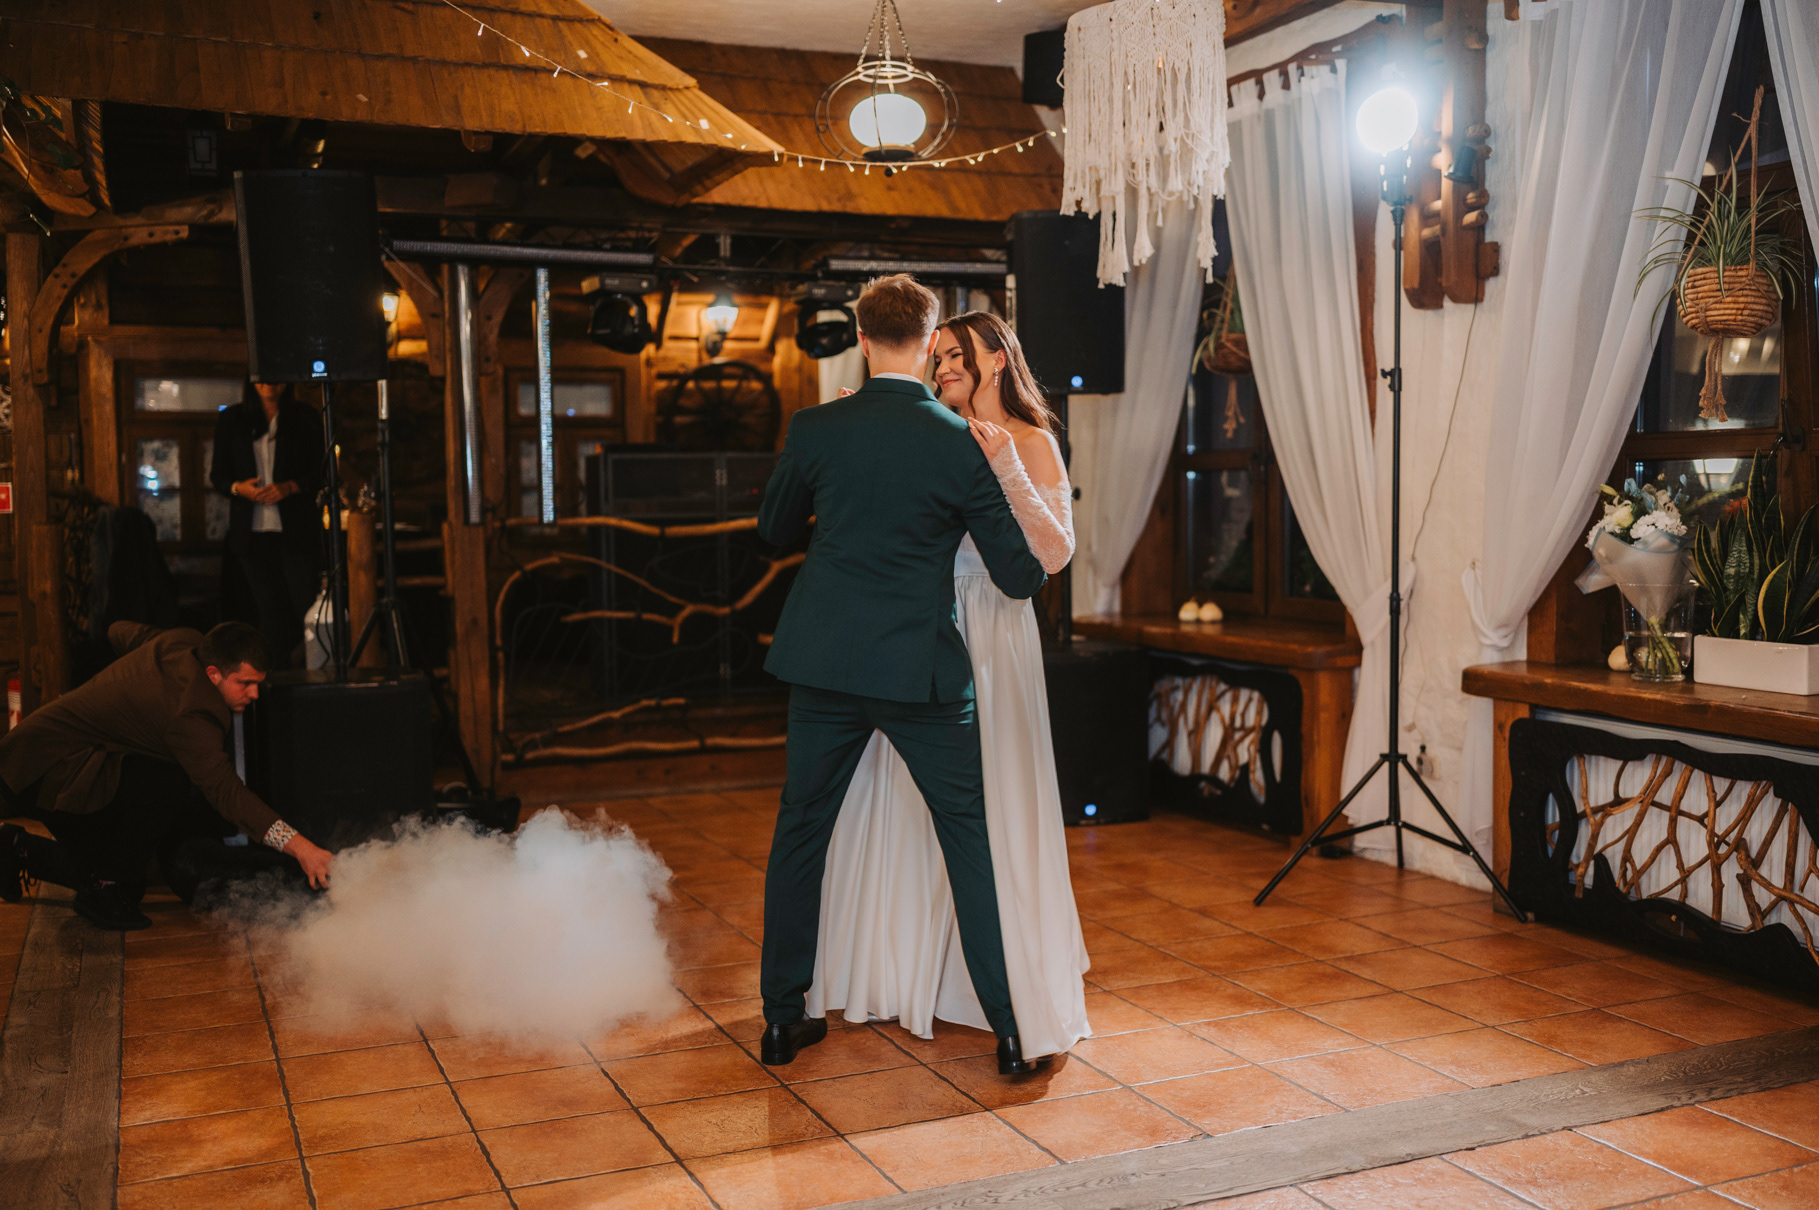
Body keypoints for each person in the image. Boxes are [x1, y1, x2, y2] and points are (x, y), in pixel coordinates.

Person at [756, 275, 1050, 1076]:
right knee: (967, 838)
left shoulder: (816, 426)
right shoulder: (961, 441)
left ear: (860, 339)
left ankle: (781, 1021)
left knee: (800, 831)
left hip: (823, 662)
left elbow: (773, 530)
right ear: (927, 345)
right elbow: (1021, 577)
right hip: (919, 670)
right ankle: (1011, 1035)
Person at [812, 310, 1090, 1062]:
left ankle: (996, 982)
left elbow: (1055, 554)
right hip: (922, 626)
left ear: (998, 359)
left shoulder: (1032, 440)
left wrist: (1005, 467)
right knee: (903, 798)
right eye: (937, 360)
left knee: (993, 798)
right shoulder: (933, 432)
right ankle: (907, 972)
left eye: (958, 357)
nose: (944, 372)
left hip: (995, 628)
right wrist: (862, 429)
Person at [0, 622, 333, 930]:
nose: (255, 694)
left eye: (258, 683)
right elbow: (227, 793)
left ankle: (17, 848)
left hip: (38, 752)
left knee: (132, 867)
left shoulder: (182, 642)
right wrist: (302, 849)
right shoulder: (193, 713)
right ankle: (101, 888)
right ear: (213, 674)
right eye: (245, 683)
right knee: (163, 792)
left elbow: (117, 631)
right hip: (40, 773)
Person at [211, 381, 325, 669]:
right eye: (261, 376)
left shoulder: (305, 417)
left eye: (275, 376)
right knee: (269, 611)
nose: (268, 383)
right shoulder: (232, 418)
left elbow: (322, 471)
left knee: (307, 605)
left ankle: (316, 672)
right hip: (251, 533)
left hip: (296, 530)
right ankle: (277, 680)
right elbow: (218, 475)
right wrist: (238, 488)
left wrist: (290, 486)